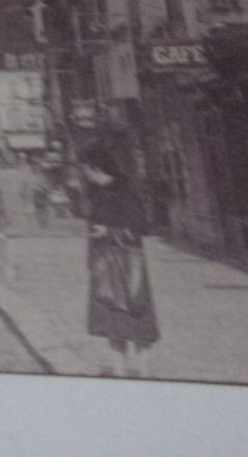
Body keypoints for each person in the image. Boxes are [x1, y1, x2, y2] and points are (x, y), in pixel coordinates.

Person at [82, 144, 159, 378]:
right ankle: (119, 372)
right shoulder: (95, 193)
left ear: (96, 167)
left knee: (136, 319)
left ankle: (144, 371)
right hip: (104, 264)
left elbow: (140, 229)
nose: (84, 173)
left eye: (85, 168)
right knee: (111, 323)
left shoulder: (125, 192)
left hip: (128, 265)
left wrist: (107, 232)